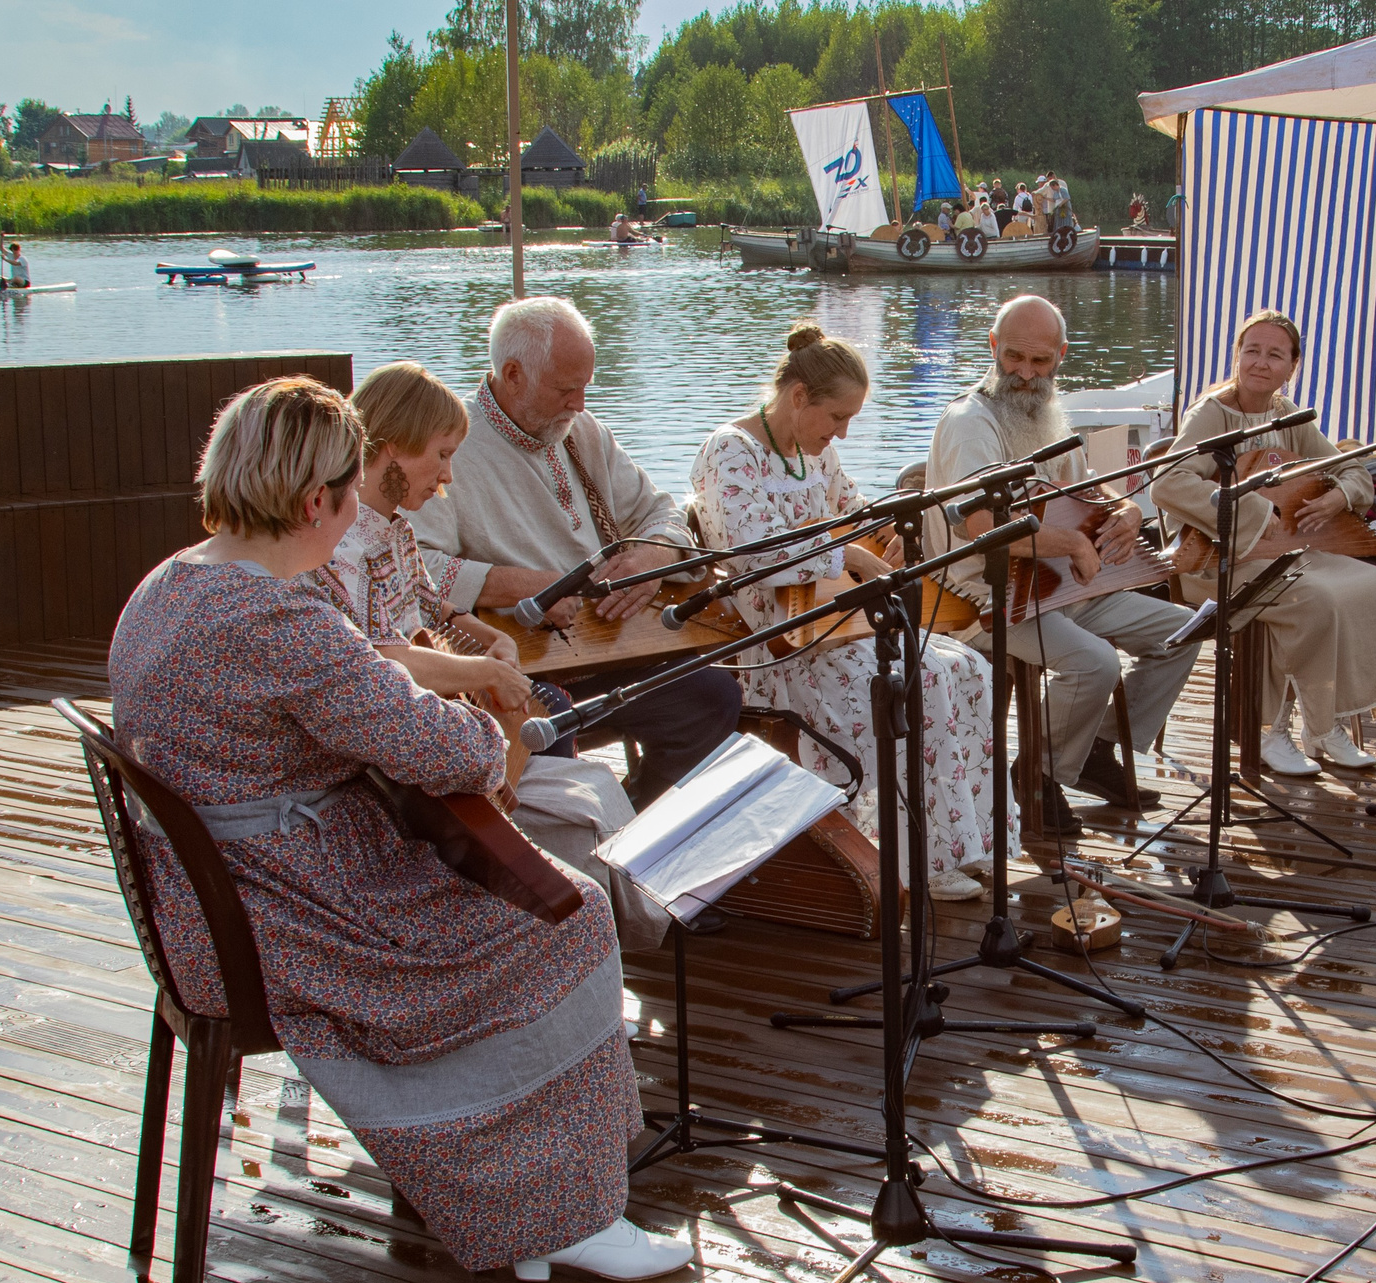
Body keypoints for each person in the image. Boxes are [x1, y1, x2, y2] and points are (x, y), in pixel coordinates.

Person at [107, 375, 689, 1283]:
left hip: (201, 899)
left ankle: (531, 1202)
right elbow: (453, 753)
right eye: (349, 495)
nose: (354, 514)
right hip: (277, 920)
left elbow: (355, 688)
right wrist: (493, 715)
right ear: (316, 502)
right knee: (567, 919)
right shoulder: (279, 619)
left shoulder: (172, 584)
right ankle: (561, 1214)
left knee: (530, 902)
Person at [304, 361, 670, 951]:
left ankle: (613, 913)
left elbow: (433, 604)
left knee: (574, 750)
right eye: (442, 455)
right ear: (392, 447)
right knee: (558, 744)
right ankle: (556, 904)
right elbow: (379, 658)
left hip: (434, 701)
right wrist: (484, 671)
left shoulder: (395, 529)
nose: (448, 476)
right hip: (400, 739)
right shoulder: (341, 542)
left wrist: (485, 636)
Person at [691, 325, 1005, 900]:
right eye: (837, 417)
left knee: (968, 667)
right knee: (916, 678)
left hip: (837, 623)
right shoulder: (729, 451)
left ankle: (963, 839)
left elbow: (851, 508)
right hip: (780, 641)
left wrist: (885, 530)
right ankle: (915, 858)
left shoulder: (816, 453)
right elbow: (752, 548)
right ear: (798, 397)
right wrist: (850, 555)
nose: (843, 432)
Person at [410, 296, 743, 807]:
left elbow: (663, 514)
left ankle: (642, 826)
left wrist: (652, 559)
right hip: (519, 668)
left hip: (613, 650)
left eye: (586, 386)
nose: (580, 403)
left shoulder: (582, 432)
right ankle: (577, 838)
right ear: (513, 374)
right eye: (566, 389)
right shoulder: (452, 443)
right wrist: (530, 588)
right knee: (546, 722)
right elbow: (419, 569)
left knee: (710, 694)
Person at [925, 295, 1203, 837]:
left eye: (1040, 361)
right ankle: (1037, 773)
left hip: (1059, 586)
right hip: (985, 593)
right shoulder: (969, 422)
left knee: (1183, 632)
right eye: (1014, 357)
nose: (1026, 374)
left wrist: (1127, 510)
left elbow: (1089, 489)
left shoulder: (1049, 412)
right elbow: (979, 523)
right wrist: (1074, 544)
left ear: (1061, 355)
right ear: (993, 346)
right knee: (1095, 662)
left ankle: (1093, 749)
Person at [1156, 310, 1376, 775]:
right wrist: (1256, 513)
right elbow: (1168, 483)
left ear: (1292, 366)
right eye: (1252, 351)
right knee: (1310, 600)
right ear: (1237, 356)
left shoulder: (1288, 415)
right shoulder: (1212, 413)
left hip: (1283, 551)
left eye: (1275, 355)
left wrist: (1340, 496)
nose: (1261, 362)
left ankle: (1326, 724)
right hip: (1216, 559)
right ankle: (1268, 730)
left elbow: (1352, 467)